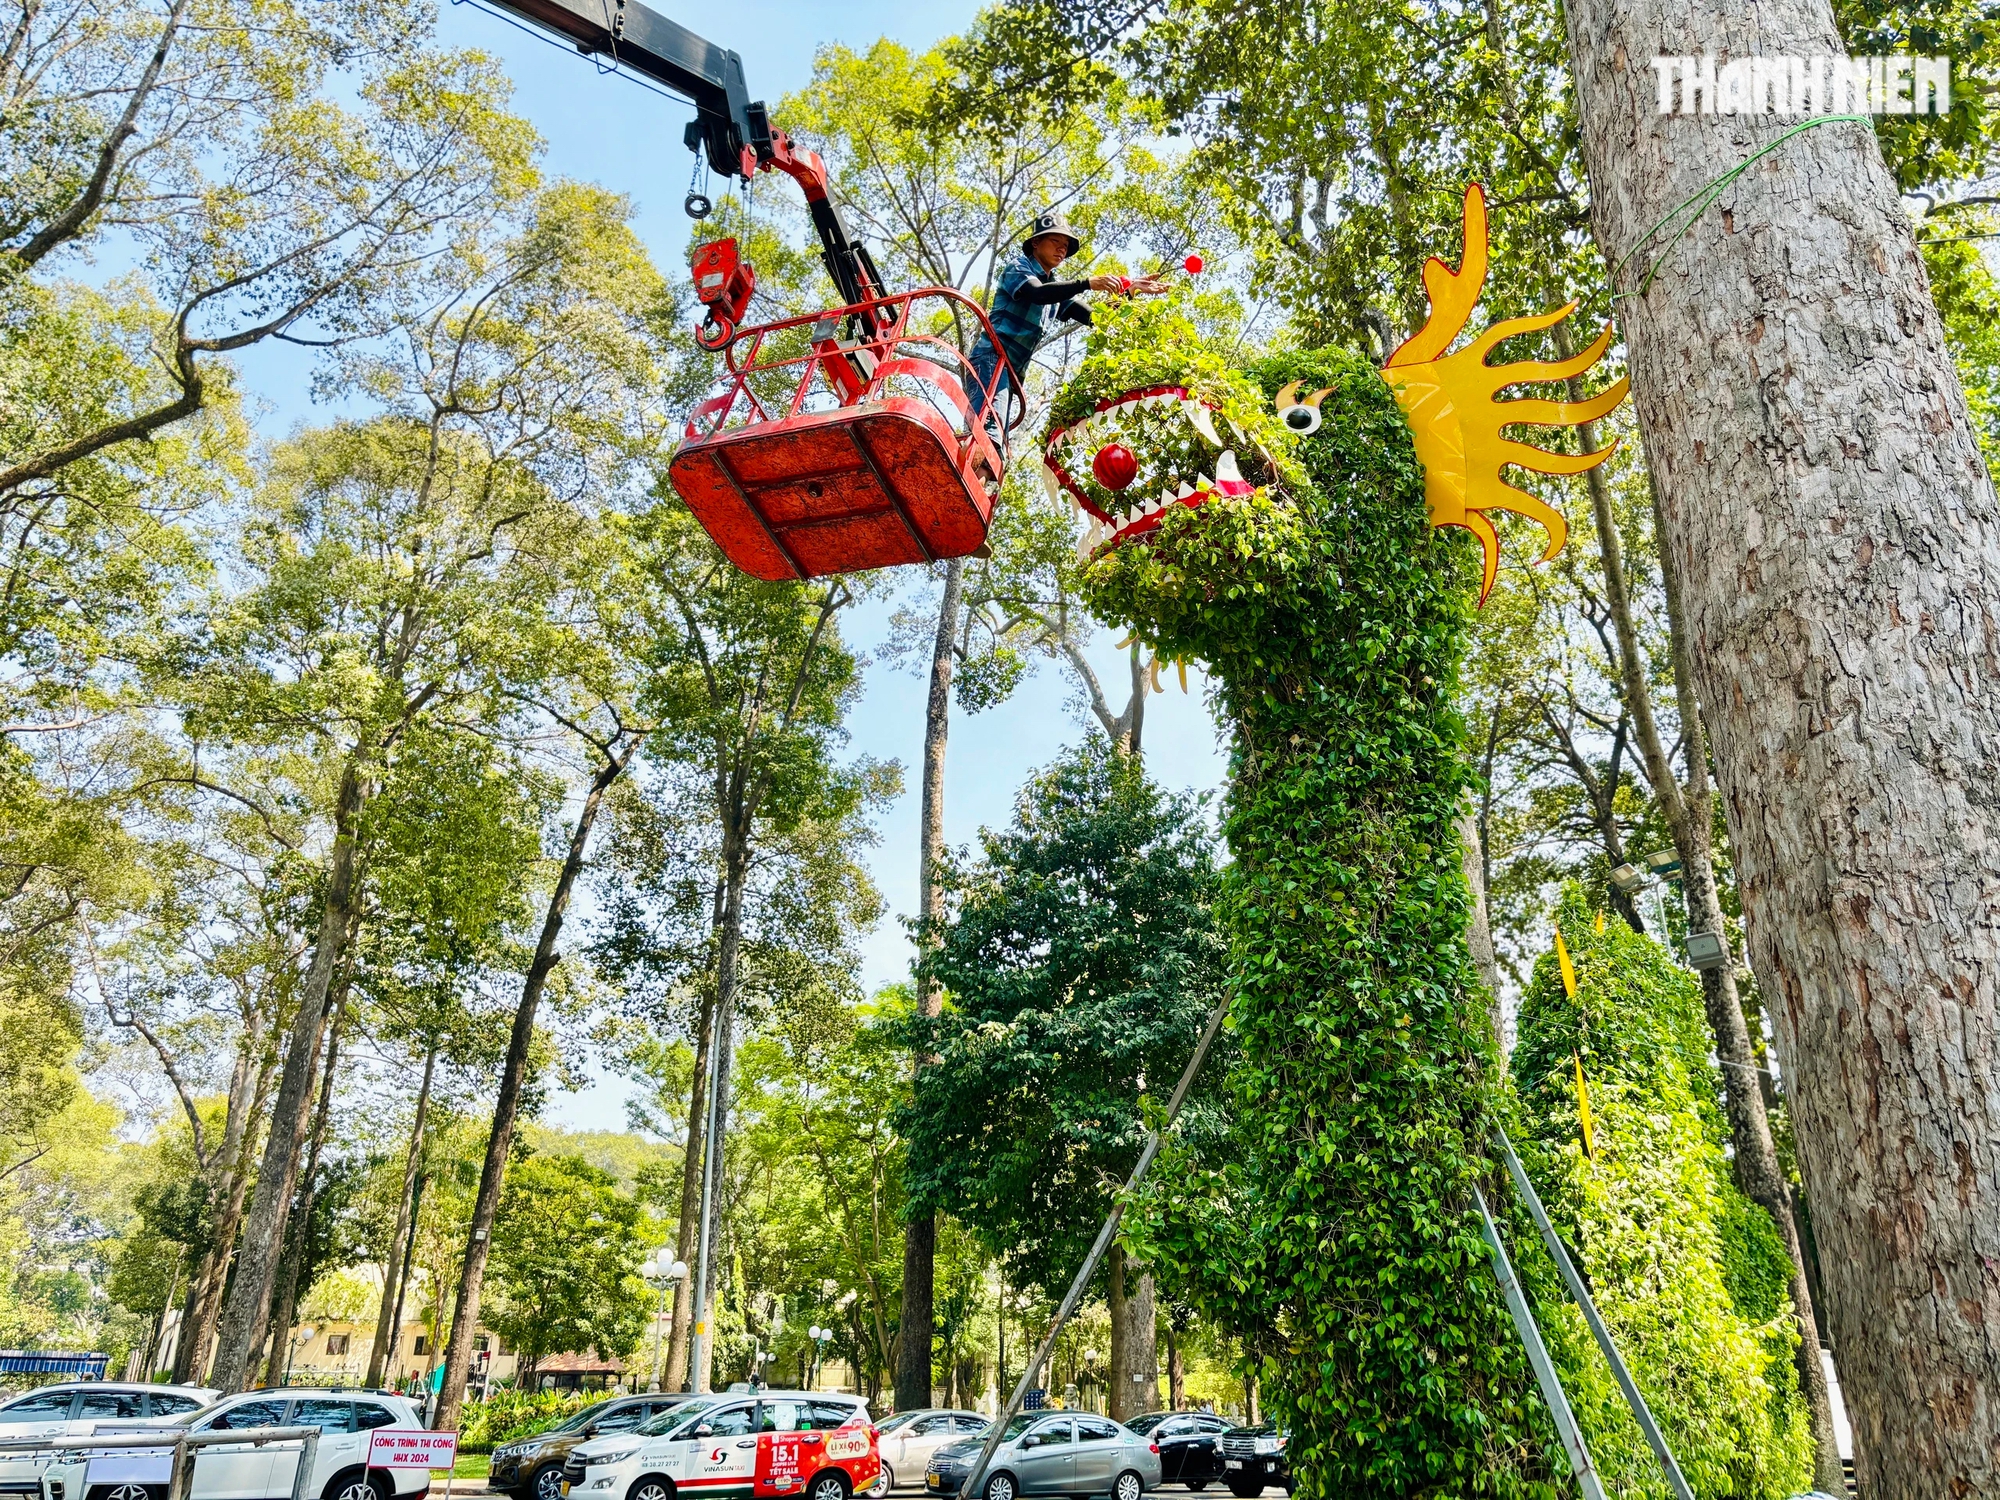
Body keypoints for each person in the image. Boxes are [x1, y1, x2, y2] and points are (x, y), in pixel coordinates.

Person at [967, 210, 1169, 428]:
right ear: (1036, 242)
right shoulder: (1018, 268)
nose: (1062, 248)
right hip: (990, 360)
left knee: (996, 445)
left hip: (1010, 374)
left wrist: (1130, 293)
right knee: (988, 434)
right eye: (1055, 240)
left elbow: (1097, 319)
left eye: (1066, 245)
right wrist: (1086, 283)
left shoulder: (1058, 294)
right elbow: (1038, 293)